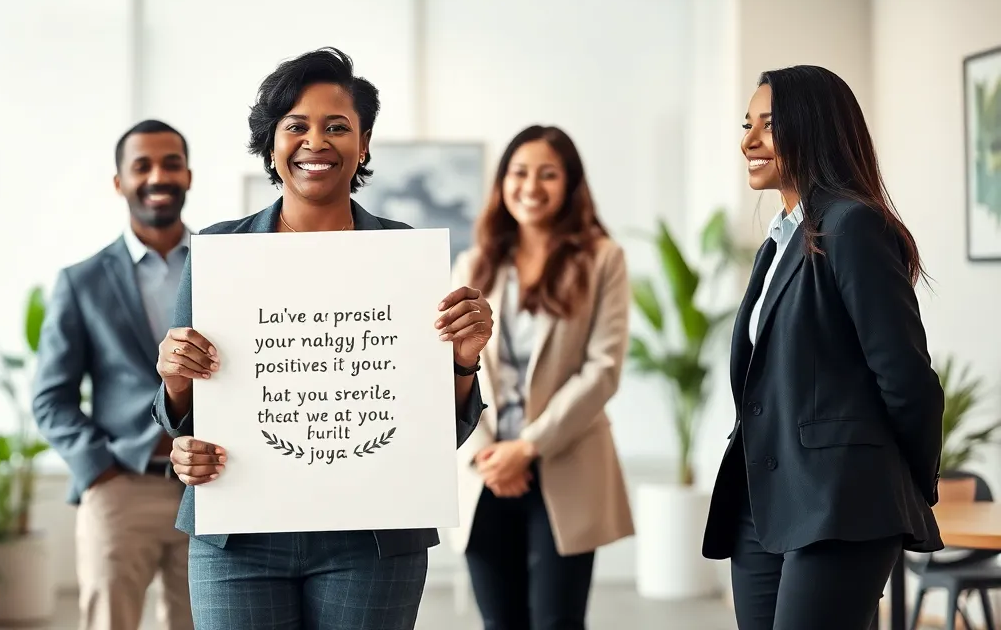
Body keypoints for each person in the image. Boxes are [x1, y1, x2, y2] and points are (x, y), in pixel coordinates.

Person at [149, 47, 491, 630]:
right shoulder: (219, 252)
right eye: (296, 126)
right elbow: (186, 418)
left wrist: (462, 362)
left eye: (337, 127)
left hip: (375, 538)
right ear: (271, 143)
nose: (316, 141)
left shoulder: (406, 258)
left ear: (364, 144)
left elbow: (438, 435)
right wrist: (177, 392)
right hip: (239, 534)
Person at [700, 65, 945, 630]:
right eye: (746, 125)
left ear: (814, 127)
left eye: (769, 125)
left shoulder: (852, 225)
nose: (749, 141)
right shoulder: (778, 242)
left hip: (841, 502)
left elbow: (906, 377)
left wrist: (905, 482)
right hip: (761, 504)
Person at [448, 125, 634, 630]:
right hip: (485, 469)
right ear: (502, 182)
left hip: (564, 463)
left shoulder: (602, 259)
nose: (531, 186)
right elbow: (450, 367)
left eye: (548, 174)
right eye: (520, 172)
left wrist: (526, 448)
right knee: (499, 622)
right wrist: (488, 453)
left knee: (557, 621)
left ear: (570, 183)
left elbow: (603, 369)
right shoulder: (473, 263)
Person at [32, 119, 196, 630]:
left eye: (171, 164)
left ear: (189, 176)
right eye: (142, 166)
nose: (157, 176)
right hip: (122, 485)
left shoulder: (225, 265)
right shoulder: (81, 282)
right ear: (119, 182)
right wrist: (100, 469)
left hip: (210, 485)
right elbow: (51, 400)